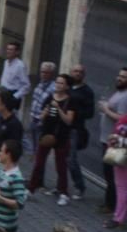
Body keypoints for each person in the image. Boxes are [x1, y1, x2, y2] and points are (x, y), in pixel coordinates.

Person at [27, 73, 77, 205]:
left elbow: (69, 121)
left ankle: (63, 193)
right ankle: (31, 189)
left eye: (61, 83)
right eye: (57, 82)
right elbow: (42, 117)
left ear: (67, 86)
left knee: (60, 166)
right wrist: (45, 113)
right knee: (39, 163)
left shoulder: (70, 100)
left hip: (61, 137)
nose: (58, 85)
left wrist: (58, 108)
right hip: (47, 135)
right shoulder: (49, 97)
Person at [98, 68, 127, 213]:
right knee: (108, 173)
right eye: (119, 75)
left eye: (123, 77)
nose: (119, 78)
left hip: (115, 143)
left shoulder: (125, 97)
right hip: (107, 139)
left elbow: (121, 118)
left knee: (112, 175)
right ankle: (109, 203)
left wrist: (106, 110)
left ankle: (112, 205)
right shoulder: (118, 92)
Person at [67, 64, 95, 199]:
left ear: (83, 75)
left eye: (80, 72)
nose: (77, 73)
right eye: (75, 71)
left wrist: (75, 112)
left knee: (71, 160)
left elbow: (90, 113)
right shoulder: (67, 88)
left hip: (75, 129)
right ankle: (61, 186)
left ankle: (80, 187)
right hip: (62, 127)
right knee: (62, 158)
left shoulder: (87, 92)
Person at [27, 61, 56, 157]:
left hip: (42, 122)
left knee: (40, 149)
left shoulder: (53, 88)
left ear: (51, 74)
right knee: (34, 148)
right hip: (33, 119)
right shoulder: (39, 84)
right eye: (42, 72)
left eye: (46, 72)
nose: (43, 74)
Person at [0, 41, 31, 110]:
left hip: (12, 95)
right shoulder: (6, 62)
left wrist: (15, 96)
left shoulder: (20, 66)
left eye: (11, 50)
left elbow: (27, 85)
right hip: (2, 94)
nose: (8, 51)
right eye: (7, 49)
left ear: (17, 52)